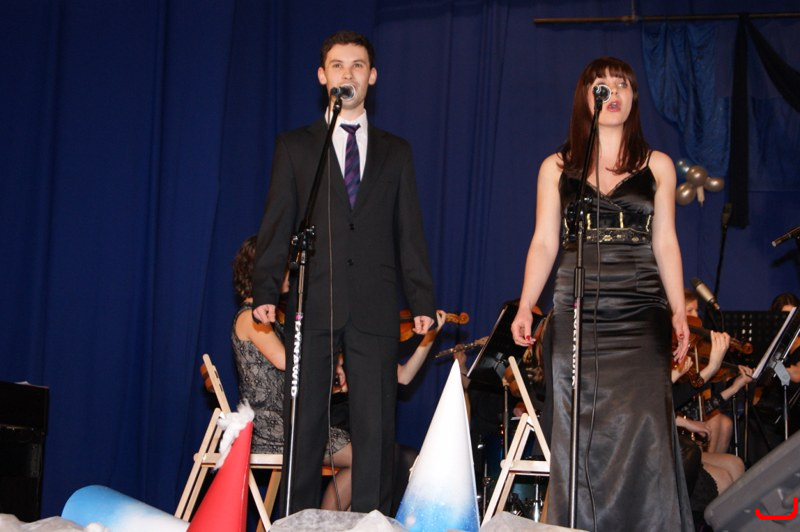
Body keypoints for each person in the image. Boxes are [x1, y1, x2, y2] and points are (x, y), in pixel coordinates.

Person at [252, 30, 436, 514]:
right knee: (304, 423)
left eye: (357, 65)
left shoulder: (396, 151)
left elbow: (409, 232)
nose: (347, 73)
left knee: (375, 427)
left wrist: (421, 300)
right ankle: (295, 520)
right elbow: (277, 223)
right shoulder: (297, 147)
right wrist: (265, 289)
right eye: (337, 65)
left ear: (372, 77)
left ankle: (371, 521)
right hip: (313, 300)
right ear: (322, 76)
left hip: (374, 302)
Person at [510, 57, 693, 530]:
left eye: (623, 85)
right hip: (577, 308)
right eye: (602, 86)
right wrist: (527, 303)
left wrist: (678, 310)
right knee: (577, 432)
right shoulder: (555, 167)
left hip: (641, 308)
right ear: (585, 98)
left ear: (633, 98)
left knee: (646, 429)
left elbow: (666, 242)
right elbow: (544, 241)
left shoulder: (658, 166)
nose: (613, 93)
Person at [234, 236, 444, 511]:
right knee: (365, 459)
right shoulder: (250, 316)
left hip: (290, 420)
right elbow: (286, 361)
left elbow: (400, 376)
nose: (290, 273)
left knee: (370, 458)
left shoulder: (267, 319)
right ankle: (325, 522)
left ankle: (327, 521)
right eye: (283, 267)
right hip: (272, 425)